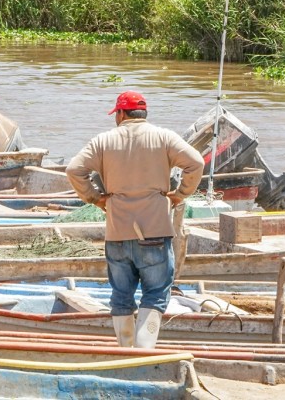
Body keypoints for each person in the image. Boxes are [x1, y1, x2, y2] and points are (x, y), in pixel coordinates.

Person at [65, 91, 205, 349]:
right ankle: (143, 351)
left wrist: (95, 198)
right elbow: (195, 163)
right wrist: (180, 194)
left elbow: (74, 170)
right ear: (144, 113)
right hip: (155, 231)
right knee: (155, 293)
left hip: (117, 233)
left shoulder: (103, 141)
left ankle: (125, 350)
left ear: (120, 114)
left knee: (121, 295)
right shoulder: (163, 137)